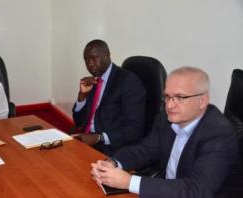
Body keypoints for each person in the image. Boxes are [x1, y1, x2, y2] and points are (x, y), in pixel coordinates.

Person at [91, 67, 239, 198]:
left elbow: (197, 191)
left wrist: (129, 182)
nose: (169, 105)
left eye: (180, 97)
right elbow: (146, 149)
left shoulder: (219, 135)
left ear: (202, 101)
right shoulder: (169, 118)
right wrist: (113, 163)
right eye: (167, 96)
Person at [72, 39, 146, 156]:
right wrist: (82, 97)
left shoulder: (128, 81)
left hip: (109, 147)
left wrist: (100, 138)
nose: (89, 64)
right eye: (86, 60)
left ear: (107, 56)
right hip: (84, 140)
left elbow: (135, 129)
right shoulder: (93, 81)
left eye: (93, 58)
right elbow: (78, 123)